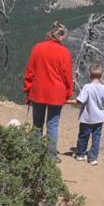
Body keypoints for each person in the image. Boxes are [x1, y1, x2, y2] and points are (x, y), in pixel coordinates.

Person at [24, 21, 73, 162]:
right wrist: (68, 93)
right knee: (52, 125)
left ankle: (34, 152)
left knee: (37, 124)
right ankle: (51, 156)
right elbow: (67, 77)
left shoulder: (37, 48)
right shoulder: (64, 52)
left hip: (38, 91)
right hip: (57, 94)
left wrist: (28, 89)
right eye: (65, 36)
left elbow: (30, 72)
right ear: (61, 36)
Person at [67, 63, 104, 166]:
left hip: (87, 118)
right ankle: (93, 158)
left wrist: (66, 101)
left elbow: (79, 101)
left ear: (89, 75)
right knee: (96, 138)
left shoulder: (87, 87)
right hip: (99, 118)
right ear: (101, 75)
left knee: (83, 136)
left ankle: (80, 154)